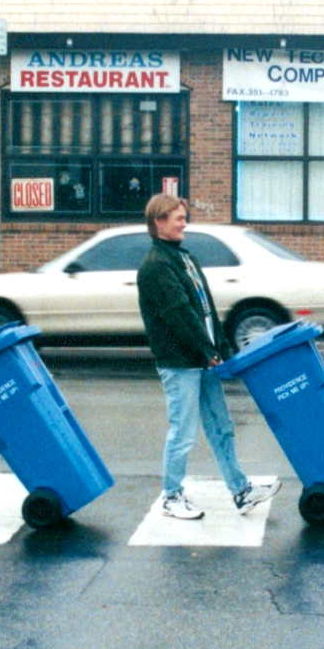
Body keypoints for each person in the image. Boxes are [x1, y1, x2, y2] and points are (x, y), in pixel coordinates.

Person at [136, 193, 278, 520]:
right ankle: (171, 496)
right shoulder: (156, 265)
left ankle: (241, 491)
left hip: (201, 358)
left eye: (184, 217)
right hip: (179, 362)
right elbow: (179, 314)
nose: (184, 223)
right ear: (159, 223)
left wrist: (221, 347)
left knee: (221, 427)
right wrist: (208, 349)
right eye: (178, 218)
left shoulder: (183, 257)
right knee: (183, 432)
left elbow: (204, 308)